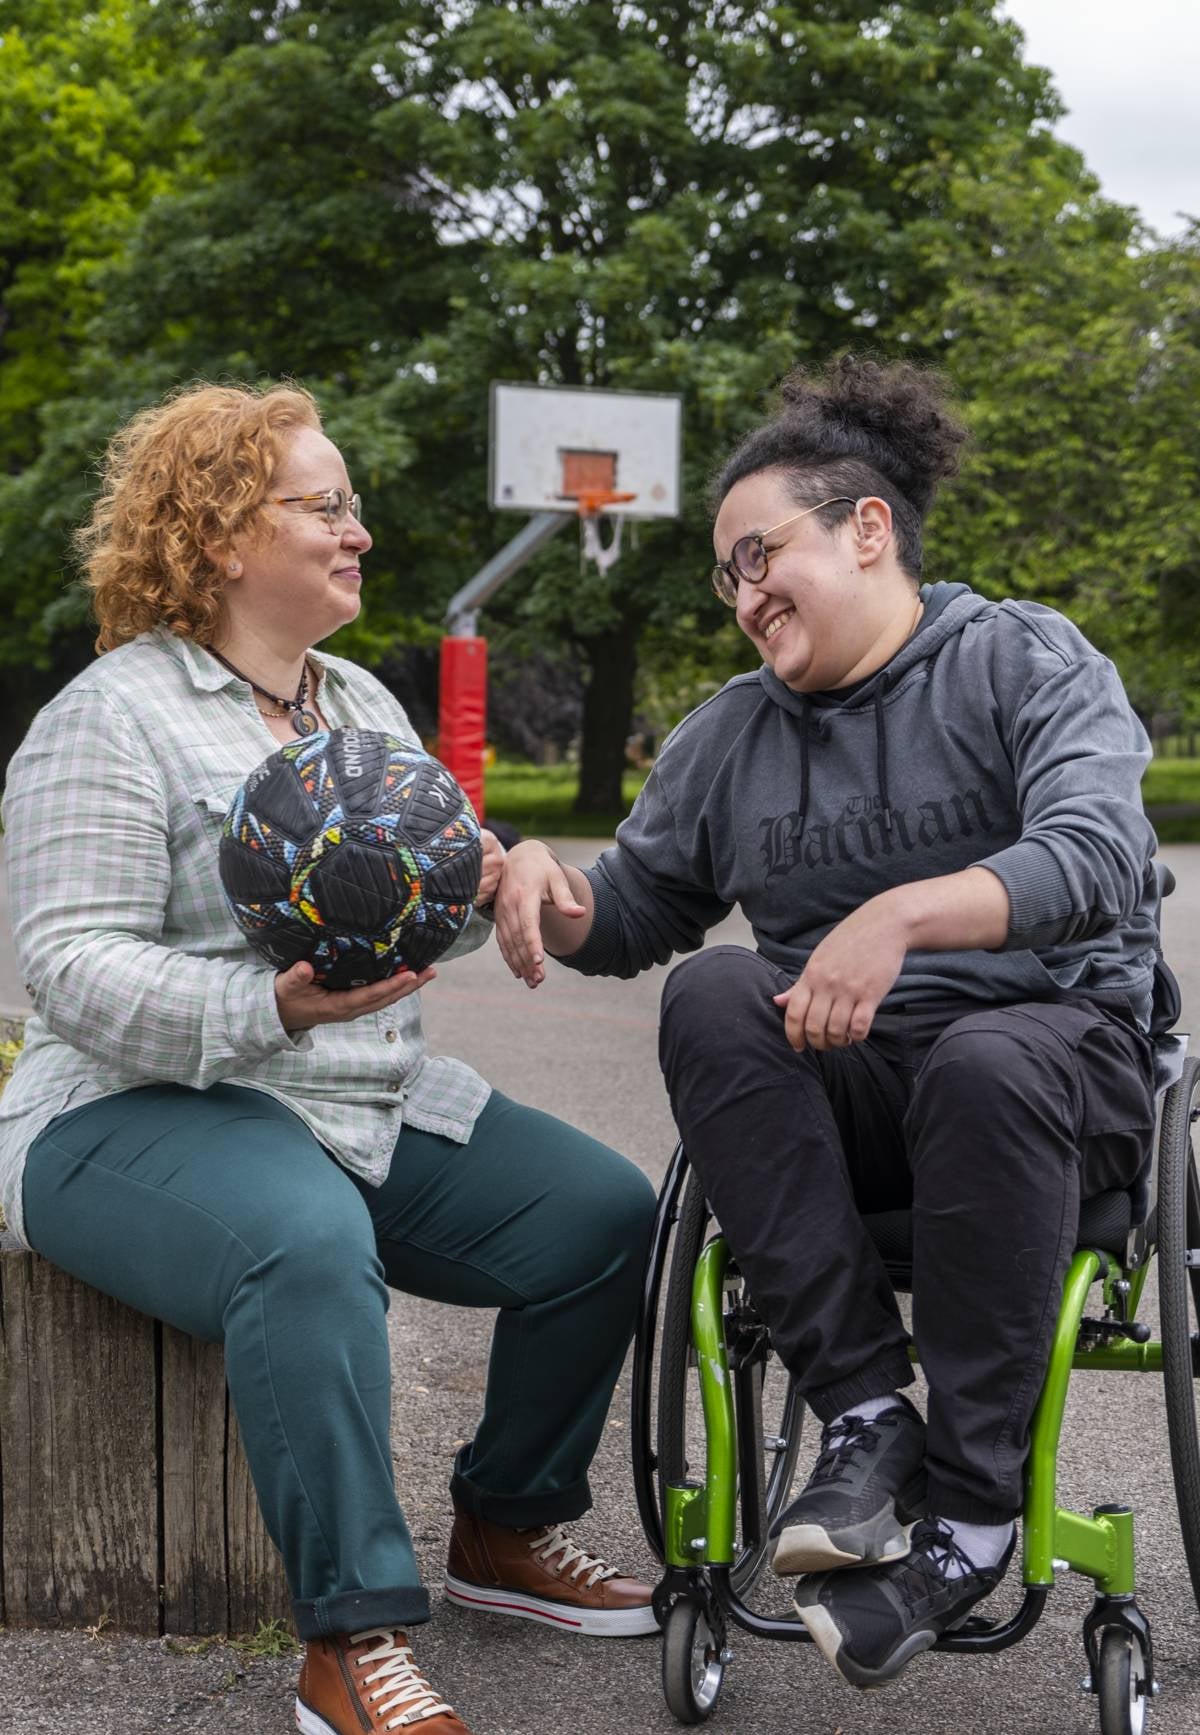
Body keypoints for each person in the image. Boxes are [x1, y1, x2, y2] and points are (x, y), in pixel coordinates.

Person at [493, 356, 1160, 1691]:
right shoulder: (733, 735)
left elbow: (1100, 853)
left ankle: (973, 1517)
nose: (745, 599)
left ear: (867, 530)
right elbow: (633, 914)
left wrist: (909, 914)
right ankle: (864, 1413)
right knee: (716, 989)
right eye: (727, 577)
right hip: (851, 1100)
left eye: (762, 556)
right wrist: (546, 885)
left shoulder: (1022, 658)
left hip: (1049, 1078)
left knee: (984, 1057)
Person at [0, 382, 658, 1735]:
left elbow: (407, 916)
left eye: (348, 503)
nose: (357, 530)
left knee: (601, 1214)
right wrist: (277, 1012)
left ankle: (507, 1529)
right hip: (124, 1113)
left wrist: (501, 875)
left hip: (344, 1098)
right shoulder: (105, 717)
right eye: (325, 504)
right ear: (221, 536)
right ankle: (350, 1640)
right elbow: (67, 965)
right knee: (302, 1245)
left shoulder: (354, 700)